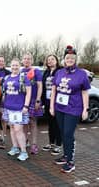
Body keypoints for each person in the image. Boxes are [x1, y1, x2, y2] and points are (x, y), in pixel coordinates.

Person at [50, 45, 90, 173]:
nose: (70, 59)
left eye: (72, 58)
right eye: (67, 57)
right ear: (64, 59)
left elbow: (85, 92)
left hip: (73, 109)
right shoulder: (59, 72)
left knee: (68, 134)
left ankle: (70, 161)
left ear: (76, 59)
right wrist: (51, 106)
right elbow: (54, 90)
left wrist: (85, 109)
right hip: (60, 108)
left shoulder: (81, 74)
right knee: (62, 133)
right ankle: (65, 155)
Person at [2, 58, 31, 161]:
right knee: (12, 128)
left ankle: (23, 151)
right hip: (8, 108)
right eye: (13, 65)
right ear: (10, 66)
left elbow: (28, 92)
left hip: (19, 108)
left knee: (19, 129)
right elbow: (4, 93)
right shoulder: (6, 78)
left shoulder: (23, 77)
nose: (14, 67)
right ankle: (15, 147)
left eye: (16, 65)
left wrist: (26, 106)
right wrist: (3, 106)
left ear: (20, 66)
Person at [21, 53, 43, 154]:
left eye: (29, 59)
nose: (26, 60)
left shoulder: (36, 71)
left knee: (33, 123)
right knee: (25, 122)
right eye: (25, 59)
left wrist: (38, 99)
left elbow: (40, 86)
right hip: (23, 101)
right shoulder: (21, 71)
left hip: (33, 100)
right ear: (22, 60)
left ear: (32, 61)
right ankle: (25, 141)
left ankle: (34, 144)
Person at [41, 55, 62, 155]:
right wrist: (42, 101)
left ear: (56, 61)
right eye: (48, 60)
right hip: (48, 101)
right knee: (50, 124)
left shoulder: (61, 71)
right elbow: (43, 88)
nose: (50, 61)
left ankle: (58, 145)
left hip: (57, 101)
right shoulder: (46, 72)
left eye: (52, 59)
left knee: (57, 124)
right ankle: (51, 143)